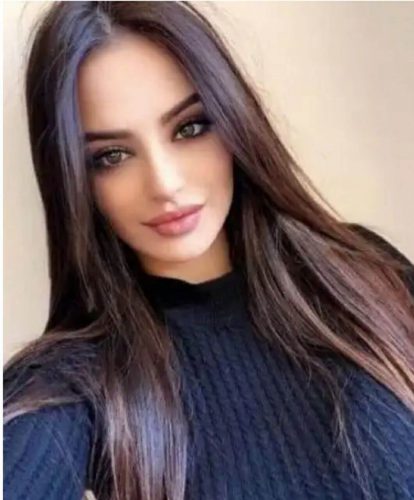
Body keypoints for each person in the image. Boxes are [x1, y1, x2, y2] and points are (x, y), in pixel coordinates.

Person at [3, 2, 414, 500]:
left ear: (233, 119)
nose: (165, 184)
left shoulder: (361, 270)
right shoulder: (73, 381)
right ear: (74, 180)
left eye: (190, 127)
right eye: (112, 156)